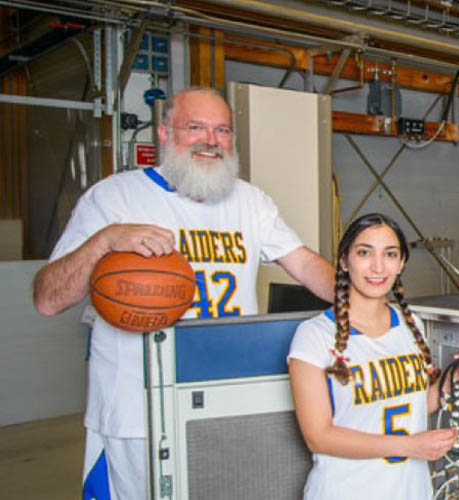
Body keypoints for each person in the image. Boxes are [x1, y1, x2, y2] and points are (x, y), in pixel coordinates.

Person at [31, 87, 335, 499]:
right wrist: (105, 241)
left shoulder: (251, 202)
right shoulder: (114, 198)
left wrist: (370, 304)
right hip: (137, 413)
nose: (211, 141)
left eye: (223, 130)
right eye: (196, 127)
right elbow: (48, 299)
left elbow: (306, 266)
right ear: (162, 133)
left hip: (227, 402)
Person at [288, 213, 456, 500]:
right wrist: (409, 446)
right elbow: (318, 436)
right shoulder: (314, 335)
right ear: (344, 261)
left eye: (390, 254)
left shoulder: (411, 324)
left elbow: (413, 404)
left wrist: (453, 378)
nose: (378, 267)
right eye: (364, 253)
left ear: (401, 262)